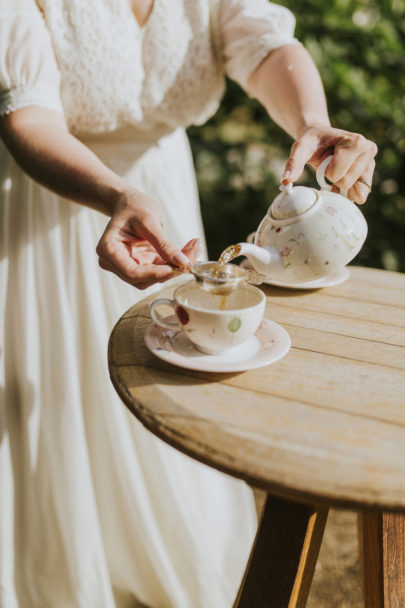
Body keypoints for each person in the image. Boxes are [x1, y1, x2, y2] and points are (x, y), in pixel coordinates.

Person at [0, 1, 377, 607]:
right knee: (57, 392)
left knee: (172, 385)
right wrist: (115, 193)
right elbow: (27, 116)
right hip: (60, 199)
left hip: (163, 194)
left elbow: (264, 48)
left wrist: (314, 122)